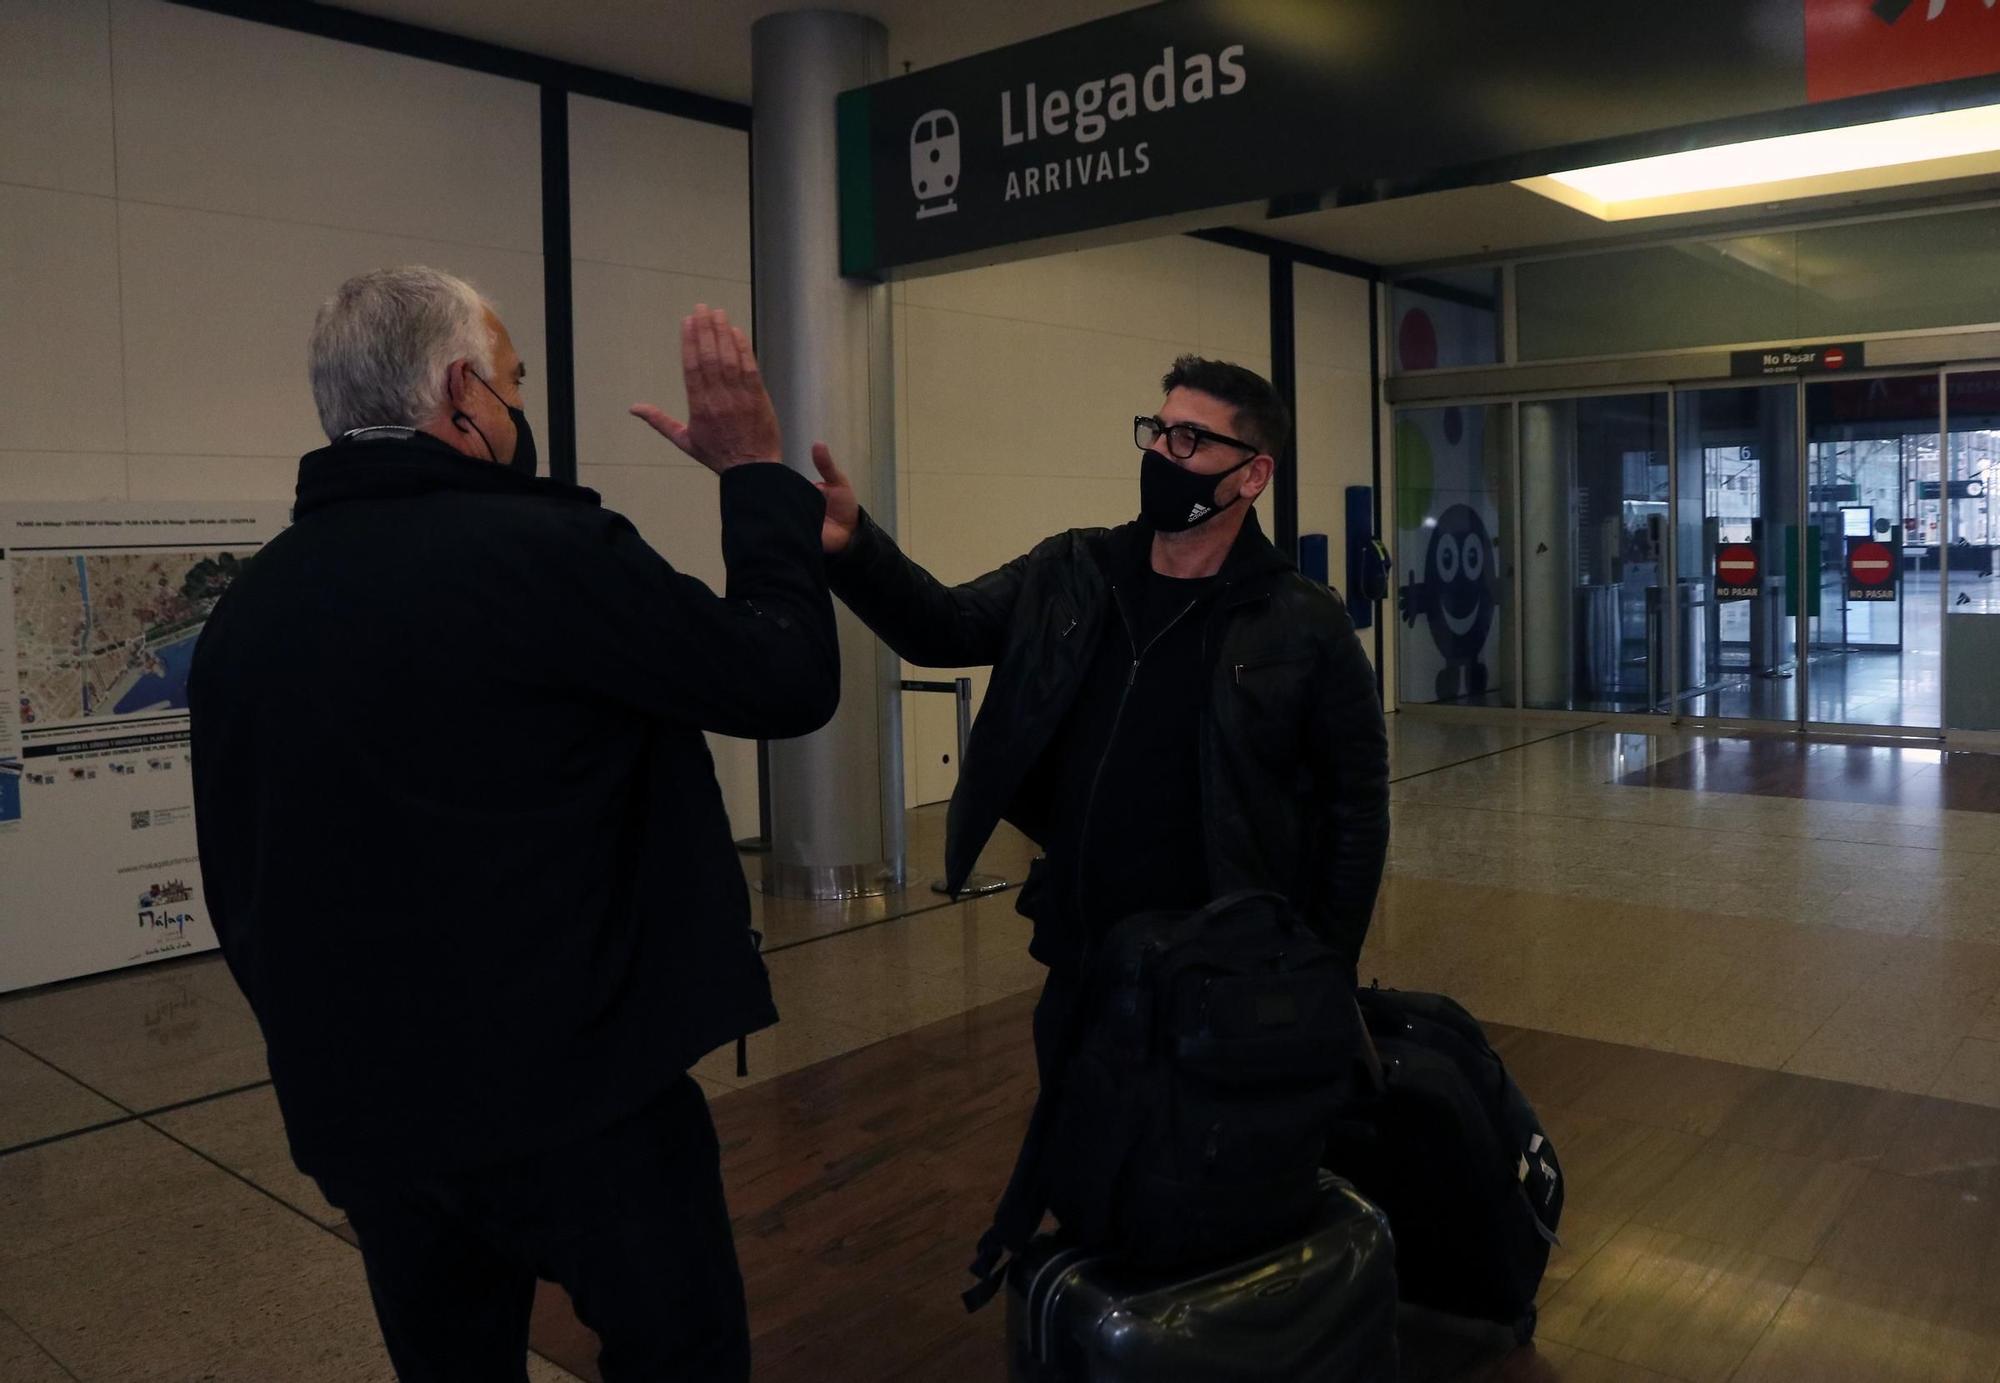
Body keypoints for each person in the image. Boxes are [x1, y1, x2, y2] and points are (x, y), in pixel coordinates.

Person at [188, 267, 836, 1383]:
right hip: (584, 1109)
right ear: (462, 395)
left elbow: (237, 875)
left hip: (372, 1117)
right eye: (515, 380)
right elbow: (782, 677)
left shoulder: (252, 608)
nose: (518, 406)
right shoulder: (550, 557)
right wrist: (753, 478)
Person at [812, 357, 1389, 1078]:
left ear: (1252, 475)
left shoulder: (1304, 623)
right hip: (1086, 956)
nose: (1160, 451)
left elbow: (1357, 811)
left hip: (1229, 974)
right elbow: (945, 627)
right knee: (1081, 1169)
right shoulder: (1074, 570)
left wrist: (1323, 969)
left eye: (1190, 439)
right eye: (1157, 430)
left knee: (1208, 1179)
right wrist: (855, 547)